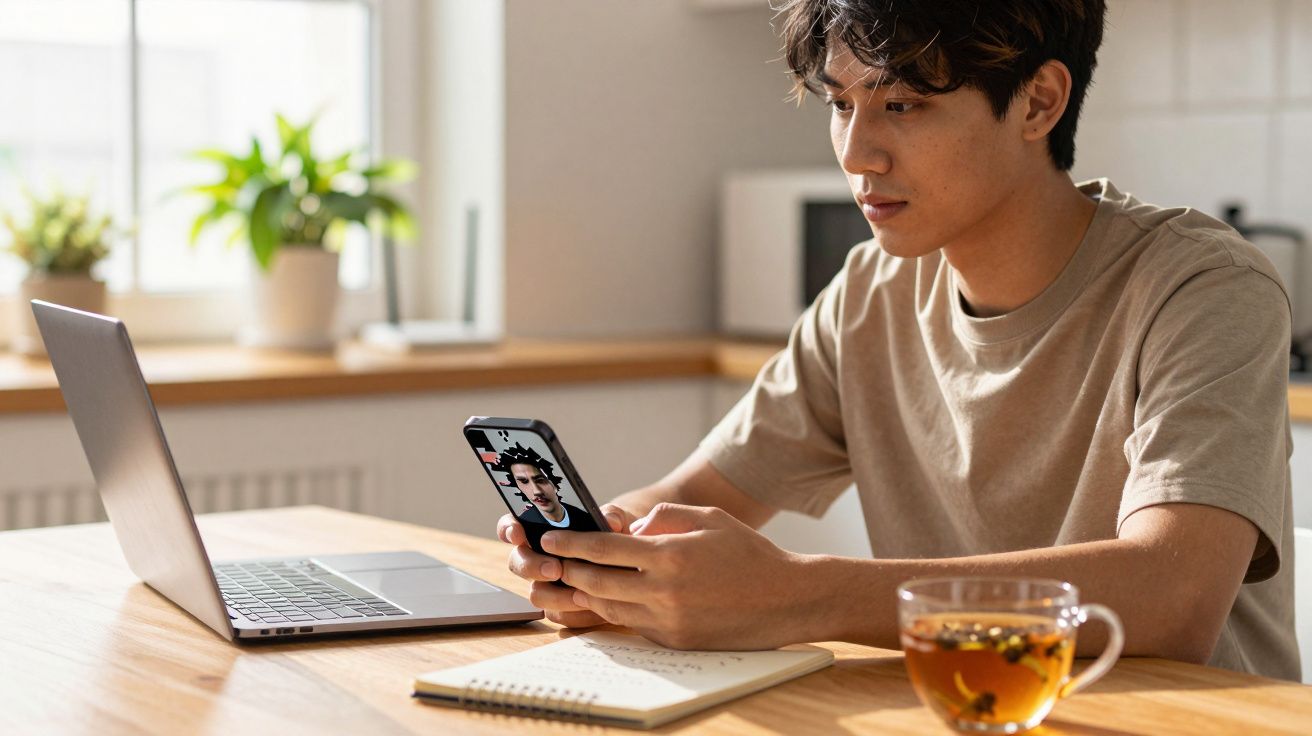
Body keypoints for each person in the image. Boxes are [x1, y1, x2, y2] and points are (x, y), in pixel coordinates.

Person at [496, 0, 1300, 681]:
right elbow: (692, 500)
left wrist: (797, 592)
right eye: (842, 104)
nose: (856, 153)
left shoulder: (1203, 286)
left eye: (902, 105)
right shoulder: (869, 293)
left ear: (1038, 103)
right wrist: (597, 557)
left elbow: (1175, 596)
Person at [498, 443, 593, 530]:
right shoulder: (524, 525)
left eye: (540, 480)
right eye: (524, 481)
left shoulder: (586, 518)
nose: (536, 491)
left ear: (554, 481)